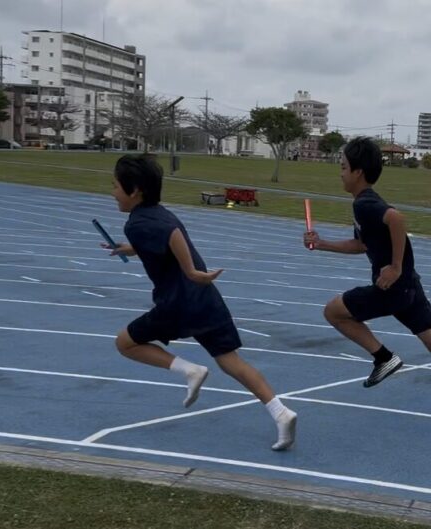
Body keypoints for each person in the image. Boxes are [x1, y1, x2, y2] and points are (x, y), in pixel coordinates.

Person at [303, 137, 431, 433]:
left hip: (393, 289)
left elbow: (397, 220)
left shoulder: (366, 203)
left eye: (343, 167)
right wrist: (322, 244)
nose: (340, 173)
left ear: (358, 172)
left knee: (333, 312)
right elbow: (362, 245)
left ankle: (384, 358)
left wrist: (395, 266)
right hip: (409, 288)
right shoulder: (363, 204)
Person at [105, 154, 296, 451]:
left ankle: (189, 370)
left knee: (124, 343)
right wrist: (129, 249)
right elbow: (163, 239)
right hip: (205, 299)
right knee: (231, 361)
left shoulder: (137, 222)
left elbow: (172, 236)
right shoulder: (158, 213)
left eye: (116, 186)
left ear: (135, 190)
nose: (112, 192)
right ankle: (281, 413)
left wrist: (191, 271)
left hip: (177, 304)